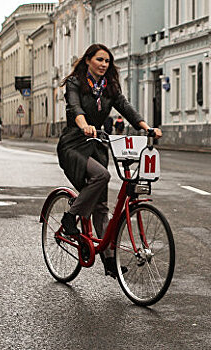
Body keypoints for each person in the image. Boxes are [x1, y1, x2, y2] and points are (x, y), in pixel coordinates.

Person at [57, 43, 162, 277]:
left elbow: (125, 107)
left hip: (96, 145)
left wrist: (147, 127)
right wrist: (84, 125)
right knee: (102, 176)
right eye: (99, 60)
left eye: (107, 61)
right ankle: (70, 217)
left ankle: (109, 259)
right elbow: (74, 107)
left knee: (102, 206)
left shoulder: (109, 87)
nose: (104, 64)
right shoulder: (76, 83)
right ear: (88, 60)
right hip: (74, 144)